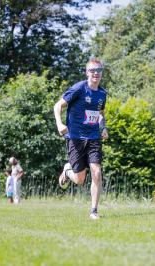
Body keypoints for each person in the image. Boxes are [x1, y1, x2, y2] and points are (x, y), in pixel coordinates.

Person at [53, 58, 108, 220]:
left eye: (98, 70)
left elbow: (101, 114)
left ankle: (94, 210)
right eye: (92, 70)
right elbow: (57, 106)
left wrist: (103, 127)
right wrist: (60, 124)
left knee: (97, 172)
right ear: (87, 72)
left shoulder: (102, 94)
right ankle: (67, 169)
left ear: (102, 73)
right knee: (79, 180)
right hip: (75, 137)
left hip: (93, 137)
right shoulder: (78, 88)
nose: (95, 73)